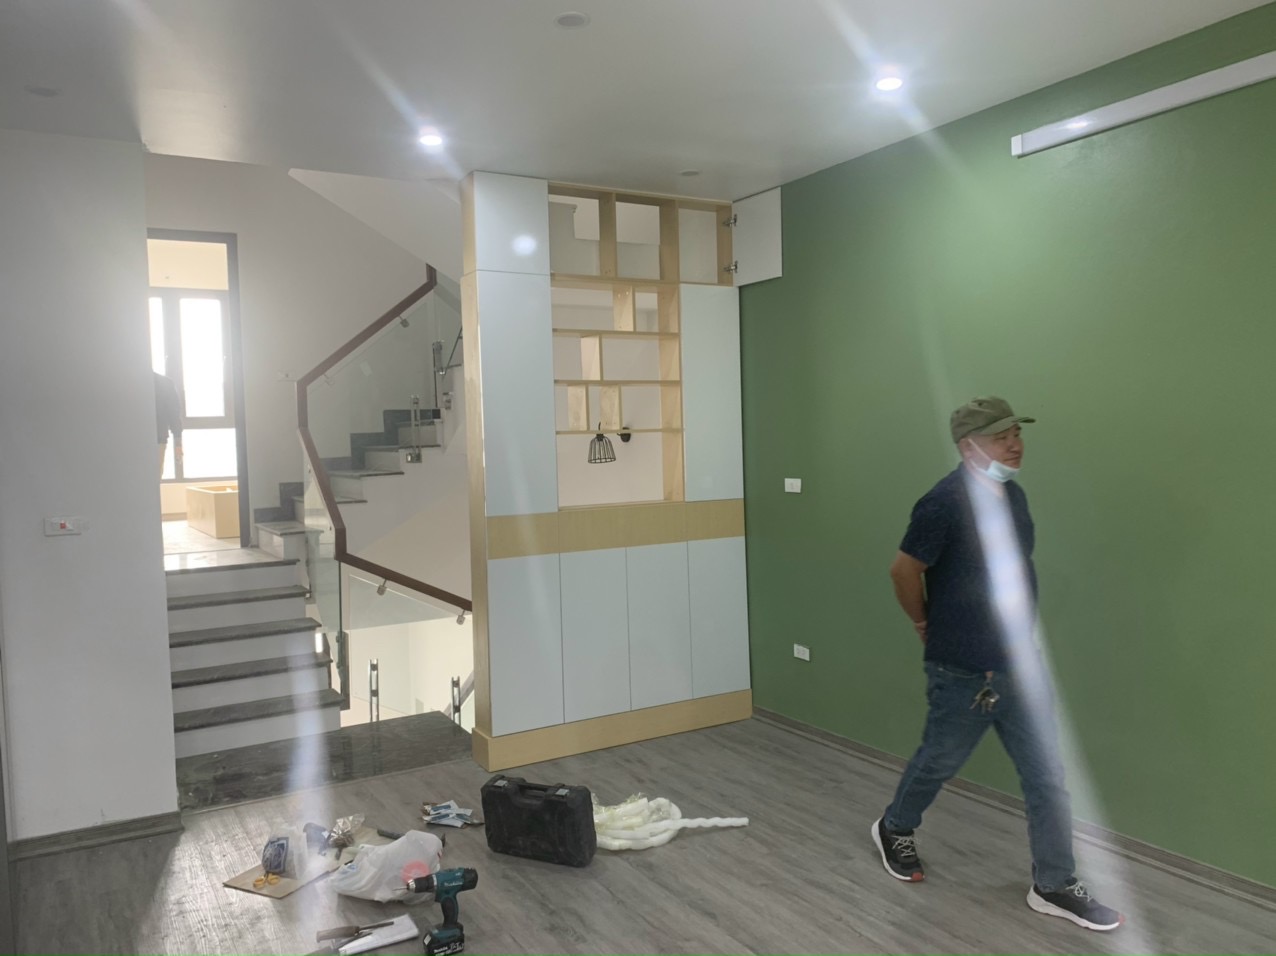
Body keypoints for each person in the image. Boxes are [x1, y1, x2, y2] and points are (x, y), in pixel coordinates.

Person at [872, 396, 1122, 932]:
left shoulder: (1013, 494)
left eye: (1016, 433)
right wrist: (924, 623)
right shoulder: (942, 503)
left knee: (1047, 778)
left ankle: (1054, 883)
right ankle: (894, 827)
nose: (1014, 444)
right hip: (962, 671)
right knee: (938, 761)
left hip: (1020, 667)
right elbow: (902, 570)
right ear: (968, 447)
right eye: (1000, 436)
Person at [155, 371, 183, 477]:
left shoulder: (129, 382)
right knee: (154, 479)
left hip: (153, 438)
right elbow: (174, 414)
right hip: (159, 438)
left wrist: (178, 444)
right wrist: (178, 444)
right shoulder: (164, 382)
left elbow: (174, 414)